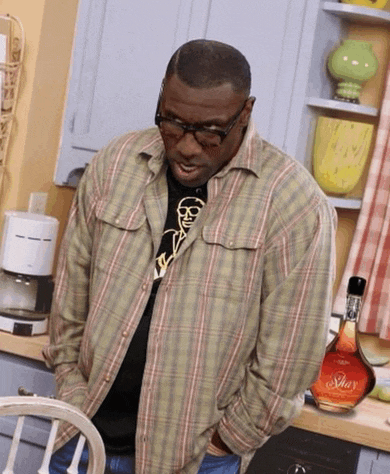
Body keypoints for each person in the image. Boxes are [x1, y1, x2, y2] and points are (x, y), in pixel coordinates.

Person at [44, 39, 336, 474]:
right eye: (173, 123)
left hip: (195, 460)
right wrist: (71, 388)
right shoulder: (115, 165)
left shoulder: (292, 204)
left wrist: (227, 441)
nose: (187, 146)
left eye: (210, 131)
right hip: (81, 437)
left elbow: (289, 359)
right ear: (161, 97)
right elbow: (70, 298)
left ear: (246, 113)